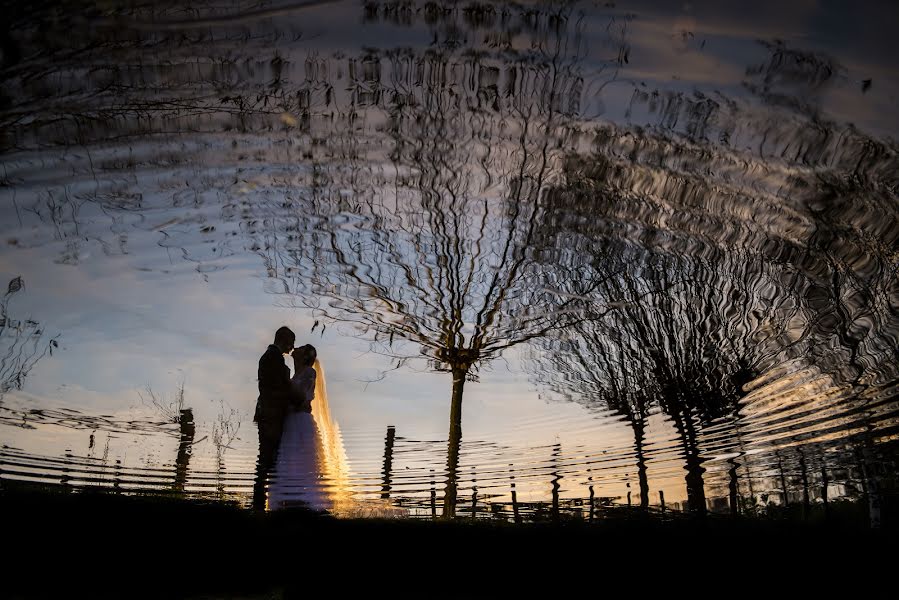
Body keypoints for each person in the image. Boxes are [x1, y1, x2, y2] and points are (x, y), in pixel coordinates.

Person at [267, 344, 328, 511]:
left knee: (301, 457)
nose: (296, 348)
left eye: (300, 348)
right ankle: (289, 498)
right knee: (288, 457)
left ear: (305, 356)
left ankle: (301, 499)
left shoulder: (309, 372)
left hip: (300, 420)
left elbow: (302, 395)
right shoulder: (296, 374)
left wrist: (286, 384)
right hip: (291, 420)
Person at [252, 326, 301, 511]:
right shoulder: (273, 358)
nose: (292, 347)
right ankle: (259, 506)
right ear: (283, 340)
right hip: (270, 414)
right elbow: (281, 388)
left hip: (269, 413)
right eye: (291, 342)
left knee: (268, 459)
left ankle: (262, 504)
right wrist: (299, 400)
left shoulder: (271, 357)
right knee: (266, 459)